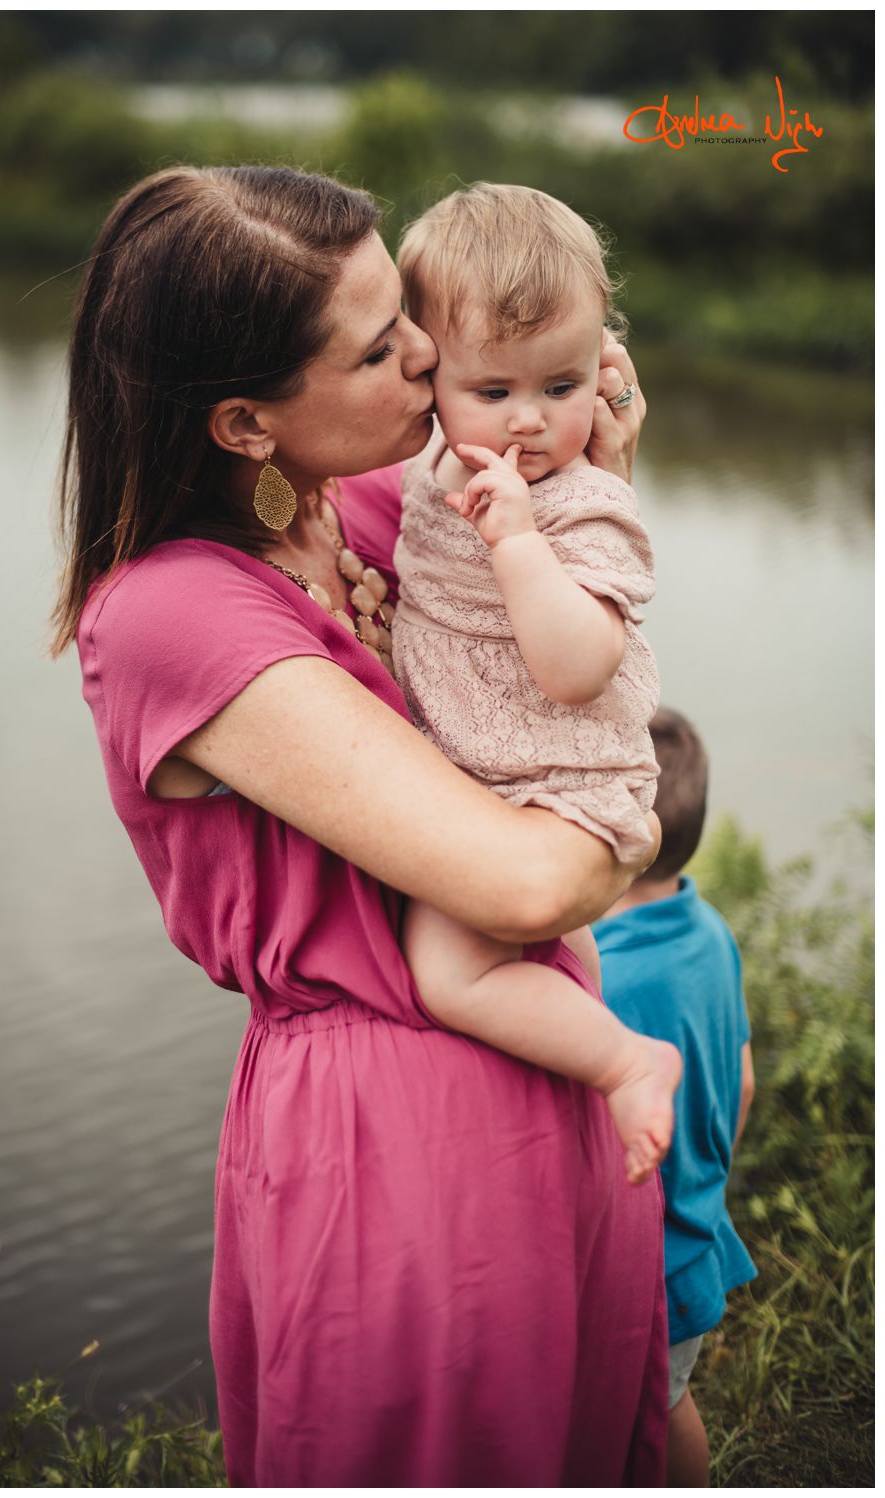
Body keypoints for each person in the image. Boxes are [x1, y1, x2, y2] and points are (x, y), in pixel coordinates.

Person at [54, 164, 668, 1484]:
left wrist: (588, 427)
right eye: (383, 344)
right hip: (397, 1131)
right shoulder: (176, 614)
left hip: (553, 1053)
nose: (431, 354)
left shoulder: (377, 513)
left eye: (412, 310)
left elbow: (570, 596)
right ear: (245, 423)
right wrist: (617, 828)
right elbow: (514, 883)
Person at [389, 183, 680, 1185]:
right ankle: (583, 1068)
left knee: (449, 970)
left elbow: (573, 667)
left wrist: (516, 538)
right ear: (423, 375)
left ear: (600, 368)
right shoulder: (427, 464)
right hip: (485, 771)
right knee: (561, 961)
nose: (526, 424)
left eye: (558, 388)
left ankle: (625, 1062)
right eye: (492, 391)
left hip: (557, 778)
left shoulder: (581, 507)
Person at [593, 708, 758, 1486]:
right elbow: (744, 1080)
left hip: (637, 1253)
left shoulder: (600, 974)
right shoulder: (712, 931)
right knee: (669, 1401)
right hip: (698, 1223)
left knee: (630, 1412)